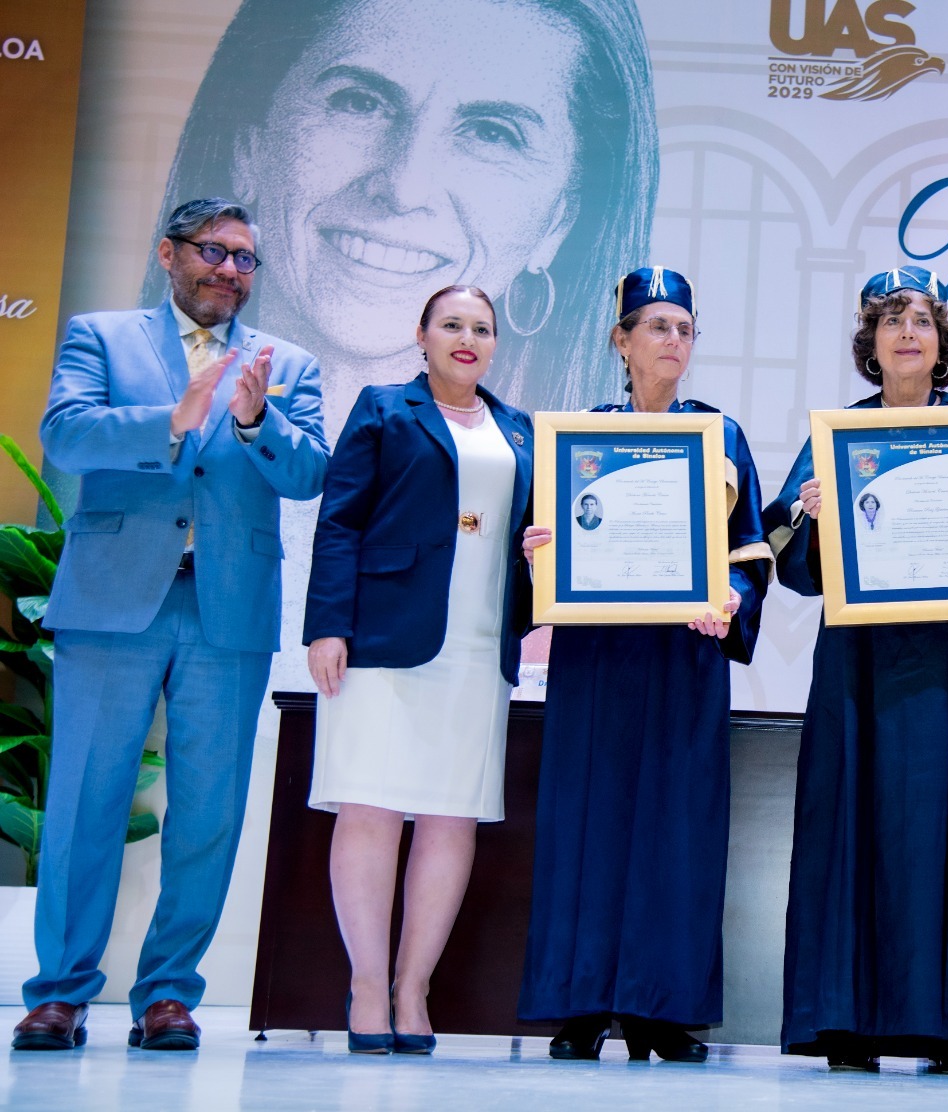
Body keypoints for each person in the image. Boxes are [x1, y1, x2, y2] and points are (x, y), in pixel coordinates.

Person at [142, 0, 657, 691]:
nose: (404, 186)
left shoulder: (531, 439)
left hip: (470, 665)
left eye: (493, 133)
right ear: (251, 143)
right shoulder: (330, 410)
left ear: (558, 222)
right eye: (359, 101)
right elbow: (336, 520)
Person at [13, 198, 328, 1053]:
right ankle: (60, 994)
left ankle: (168, 995)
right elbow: (66, 436)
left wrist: (257, 422)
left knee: (208, 812)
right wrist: (171, 421)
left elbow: (310, 474)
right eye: (213, 251)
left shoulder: (288, 363)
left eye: (244, 258)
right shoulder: (102, 337)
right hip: (113, 603)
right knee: (84, 801)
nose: (230, 270)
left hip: (227, 609)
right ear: (168, 253)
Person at [764, 265, 948, 1076]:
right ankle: (847, 1022)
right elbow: (790, 559)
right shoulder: (837, 438)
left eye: (921, 320)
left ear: (942, 343)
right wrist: (809, 515)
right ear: (870, 343)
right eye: (890, 320)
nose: (906, 333)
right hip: (858, 667)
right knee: (853, 826)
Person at [517, 267, 772, 1063]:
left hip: (683, 658)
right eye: (657, 326)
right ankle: (581, 1005)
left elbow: (750, 552)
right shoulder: (578, 438)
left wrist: (729, 597)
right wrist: (537, 552)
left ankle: (663, 1012)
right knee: (585, 824)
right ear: (620, 341)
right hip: (596, 658)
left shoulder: (720, 437)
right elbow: (545, 542)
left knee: (677, 828)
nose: (673, 340)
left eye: (685, 329)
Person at [302, 286, 533, 1055]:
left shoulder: (521, 430)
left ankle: (413, 988)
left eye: (482, 328)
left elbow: (533, 535)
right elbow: (340, 521)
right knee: (370, 810)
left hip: (479, 647)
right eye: (452, 324)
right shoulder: (382, 408)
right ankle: (368, 986)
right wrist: (328, 626)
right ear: (422, 335)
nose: (468, 338)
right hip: (382, 640)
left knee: (451, 816)